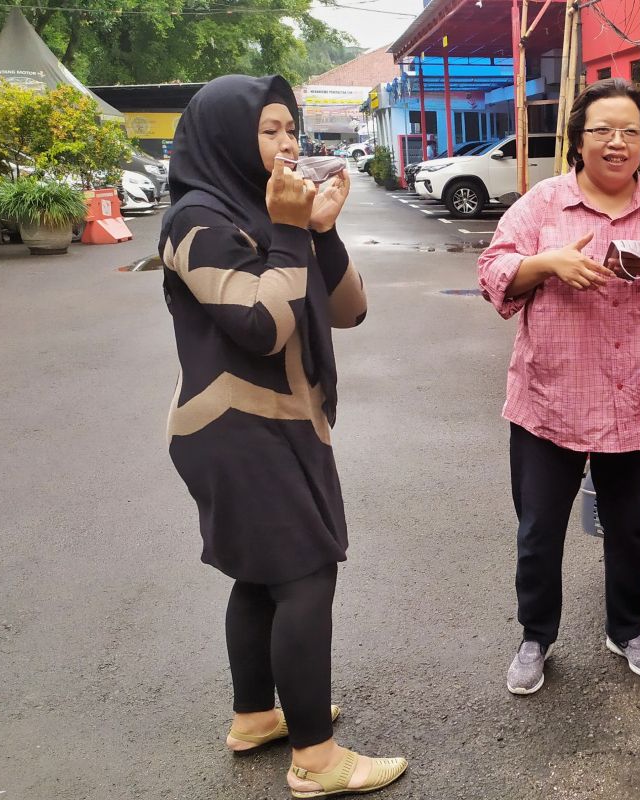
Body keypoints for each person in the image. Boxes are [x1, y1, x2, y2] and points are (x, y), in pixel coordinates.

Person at [159, 74, 407, 796]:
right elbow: (263, 325)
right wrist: (293, 231)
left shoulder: (262, 210)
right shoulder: (196, 220)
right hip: (236, 426)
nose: (289, 143)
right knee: (304, 576)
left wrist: (320, 231)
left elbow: (349, 309)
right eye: (270, 130)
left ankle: (255, 716)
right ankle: (317, 759)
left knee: (262, 579)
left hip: (279, 420)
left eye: (291, 129)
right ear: (227, 137)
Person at [477, 78, 640, 695]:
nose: (617, 142)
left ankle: (626, 628)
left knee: (630, 526)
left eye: (630, 131)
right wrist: (546, 264)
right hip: (549, 398)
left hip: (635, 399)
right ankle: (535, 637)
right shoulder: (541, 206)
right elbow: (493, 270)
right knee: (539, 528)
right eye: (602, 130)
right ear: (578, 140)